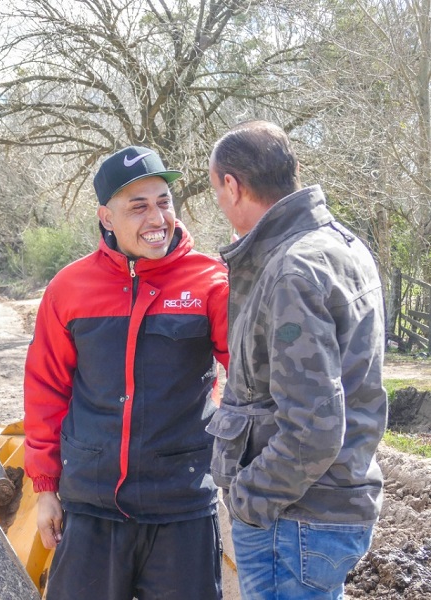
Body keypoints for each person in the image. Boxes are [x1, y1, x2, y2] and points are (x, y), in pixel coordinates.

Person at [24, 145, 229, 599]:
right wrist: (45, 489)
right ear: (106, 217)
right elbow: (46, 391)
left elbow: (254, 379)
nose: (157, 218)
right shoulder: (69, 288)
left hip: (181, 506)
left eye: (163, 202)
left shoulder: (211, 282)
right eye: (138, 207)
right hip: (93, 507)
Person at [207, 120, 387, 599]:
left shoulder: (292, 269)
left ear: (232, 185)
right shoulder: (343, 246)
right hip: (326, 506)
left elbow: (313, 429)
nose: (221, 206)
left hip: (296, 518)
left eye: (217, 192)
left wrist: (248, 500)